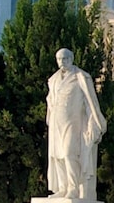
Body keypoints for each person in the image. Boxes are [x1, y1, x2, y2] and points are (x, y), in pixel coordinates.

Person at [46, 48, 105, 200]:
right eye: (59, 59)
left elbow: (90, 103)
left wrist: (94, 122)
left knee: (68, 153)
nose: (62, 62)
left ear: (71, 58)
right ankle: (62, 187)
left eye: (65, 59)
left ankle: (73, 188)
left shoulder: (81, 77)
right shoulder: (53, 80)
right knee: (57, 156)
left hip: (73, 123)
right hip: (55, 123)